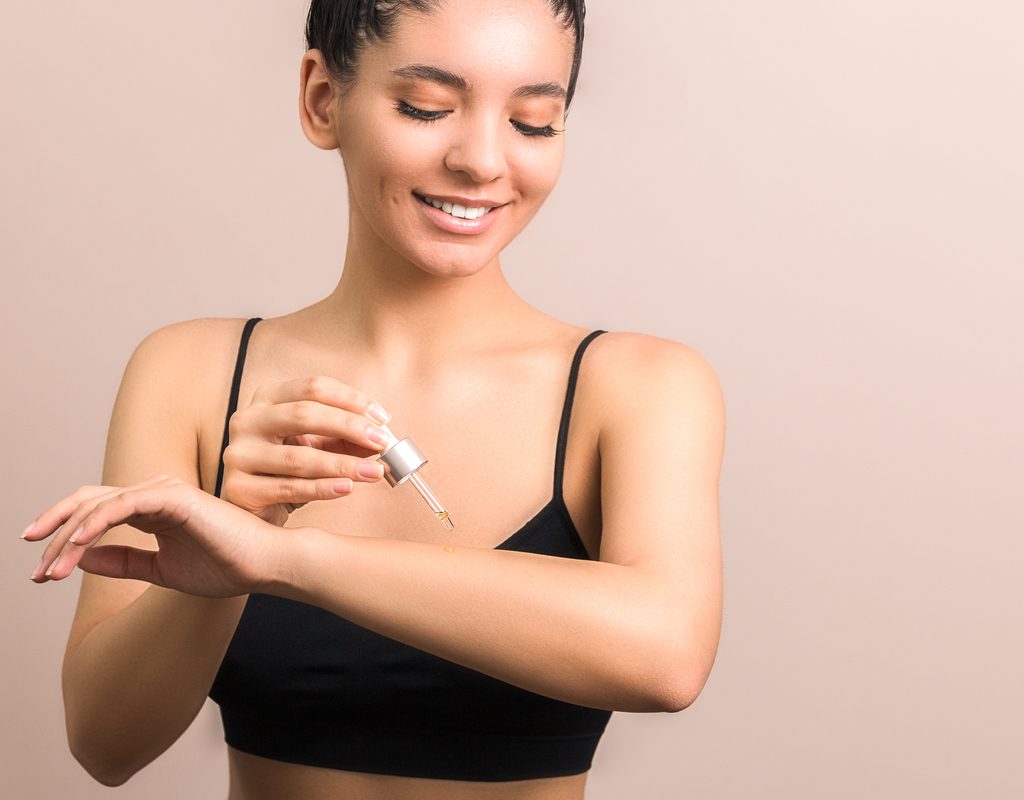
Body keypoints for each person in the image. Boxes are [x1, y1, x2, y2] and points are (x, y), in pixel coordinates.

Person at [22, 1, 725, 797]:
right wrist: (223, 561)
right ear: (324, 100)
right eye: (426, 108)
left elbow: (667, 657)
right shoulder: (189, 372)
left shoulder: (636, 387)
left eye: (534, 122)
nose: (483, 161)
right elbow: (106, 745)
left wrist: (285, 560)